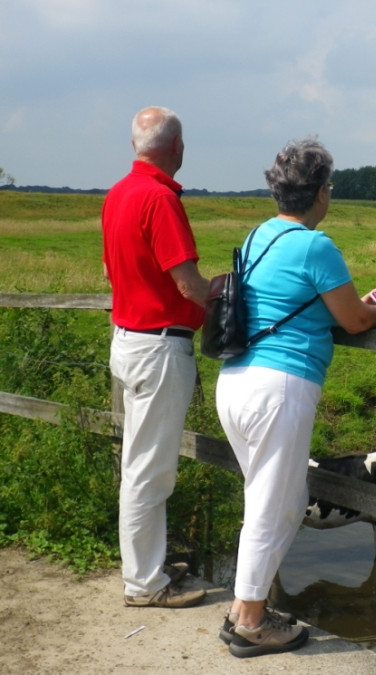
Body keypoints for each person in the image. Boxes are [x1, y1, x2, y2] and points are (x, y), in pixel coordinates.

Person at [215, 137, 376, 658]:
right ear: (322, 192)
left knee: (276, 498)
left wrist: (359, 306)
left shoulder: (259, 236)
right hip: (279, 387)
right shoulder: (315, 245)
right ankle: (251, 622)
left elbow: (303, 303)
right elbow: (353, 320)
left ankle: (243, 606)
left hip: (236, 380)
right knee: (274, 504)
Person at [102, 106, 210, 608]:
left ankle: (147, 565)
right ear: (177, 148)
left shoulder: (118, 194)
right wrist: (227, 299)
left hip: (127, 338)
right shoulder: (160, 199)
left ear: (135, 146)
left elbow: (111, 270)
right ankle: (145, 584)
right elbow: (187, 283)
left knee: (141, 464)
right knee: (150, 471)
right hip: (159, 346)